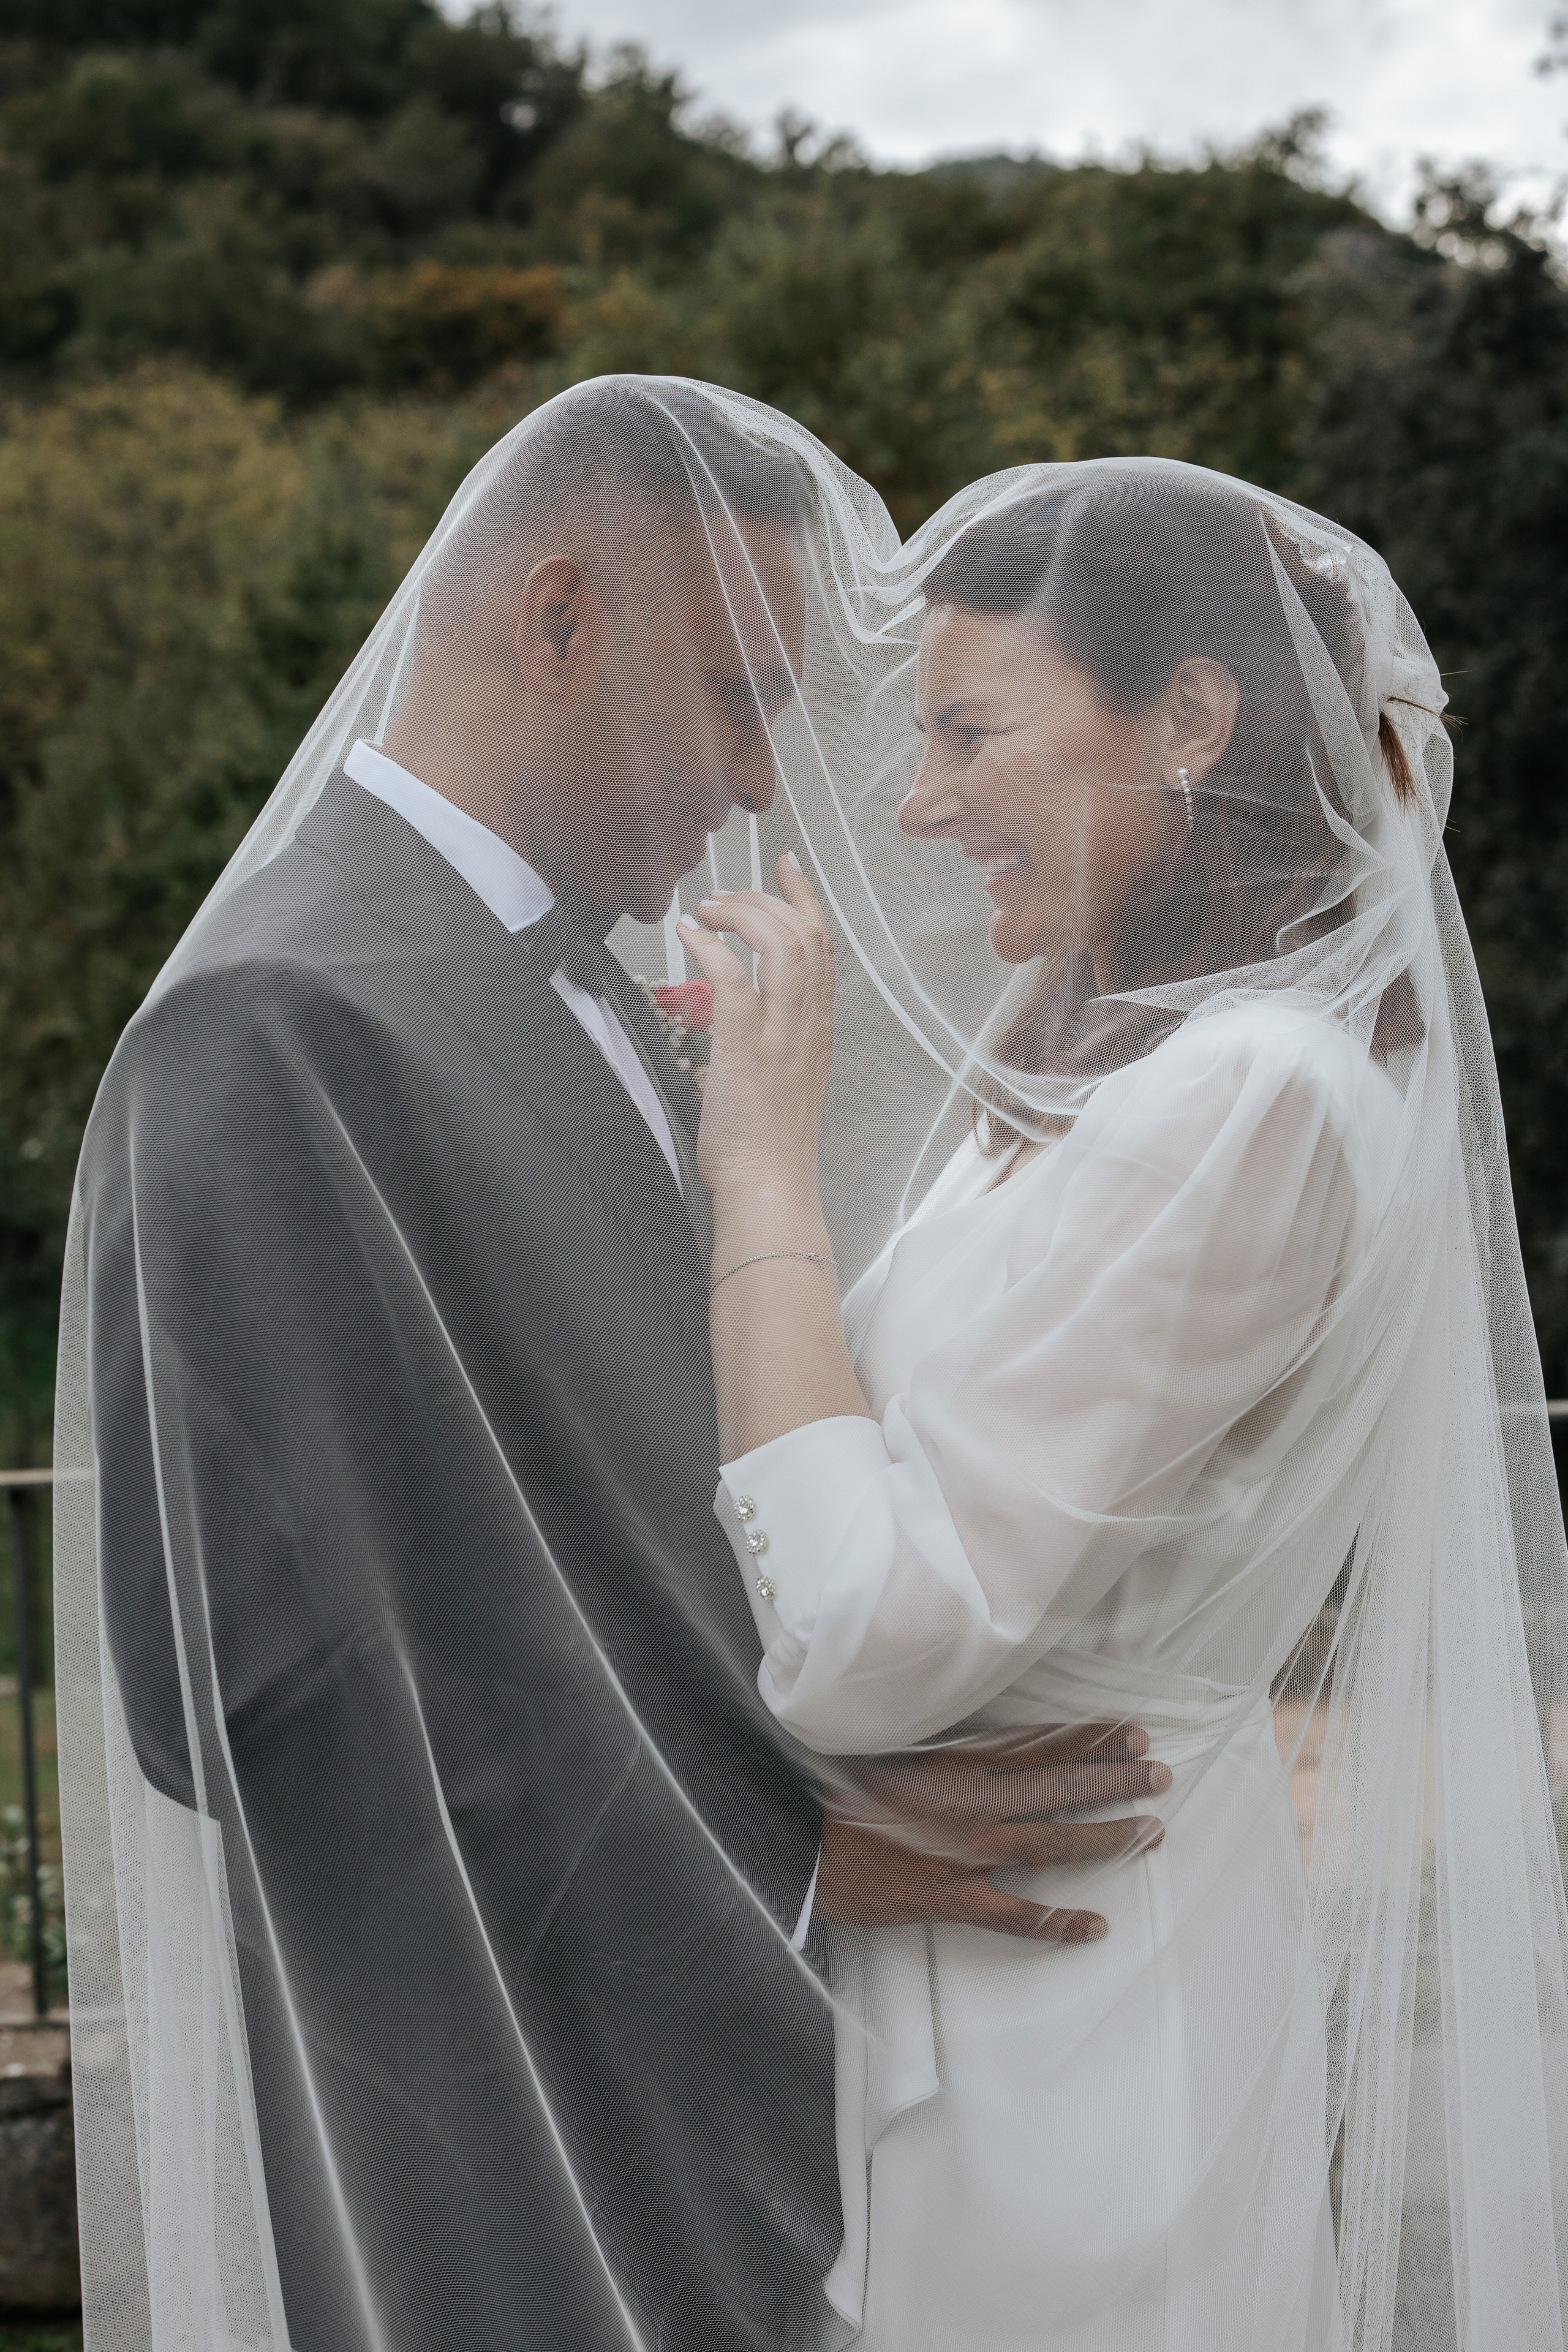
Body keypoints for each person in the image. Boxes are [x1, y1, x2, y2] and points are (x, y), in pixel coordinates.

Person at [55, 381, 1167, 2352]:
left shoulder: (609, 999)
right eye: (737, 697)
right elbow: (246, 1685)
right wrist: (785, 1853)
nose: (755, 778)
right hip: (500, 2156)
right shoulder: (270, 1026)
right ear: (557, 619)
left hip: (740, 2130)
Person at [678, 463, 1568, 2350]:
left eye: (970, 734)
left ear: (1190, 720)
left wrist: (759, 1169)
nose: (918, 805)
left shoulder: (1247, 1103)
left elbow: (862, 1638)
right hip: (997, 1979)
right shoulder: (1106, 1067)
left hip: (1072, 2037)